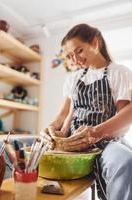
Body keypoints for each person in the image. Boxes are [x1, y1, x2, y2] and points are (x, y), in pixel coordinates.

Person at [45, 24, 132, 200]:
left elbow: (125, 119)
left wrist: (95, 133)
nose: (75, 59)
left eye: (79, 51)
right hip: (71, 142)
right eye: (70, 55)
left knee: (126, 161)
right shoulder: (74, 78)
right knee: (11, 147)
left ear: (95, 43)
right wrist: (50, 129)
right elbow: (63, 116)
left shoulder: (119, 73)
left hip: (106, 142)